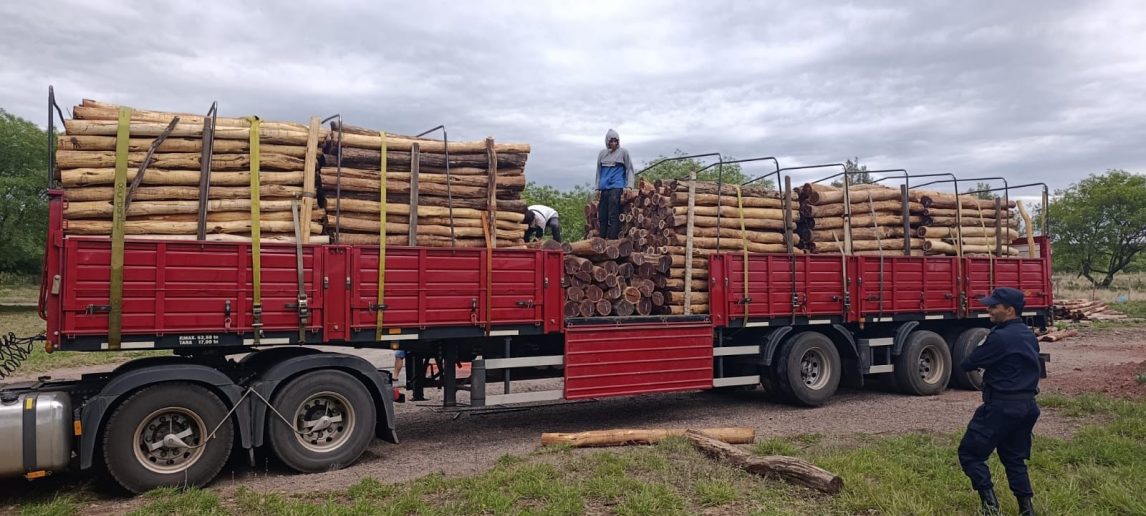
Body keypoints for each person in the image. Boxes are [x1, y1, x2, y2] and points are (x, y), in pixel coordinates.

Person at [958, 287, 1042, 516]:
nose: (989, 310)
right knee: (1014, 459)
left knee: (970, 454)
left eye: (994, 306)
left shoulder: (999, 337)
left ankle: (990, 506)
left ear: (1010, 310)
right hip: (1027, 407)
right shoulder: (1027, 334)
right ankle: (1026, 509)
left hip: (1002, 406)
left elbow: (968, 363)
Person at [595, 129, 634, 239]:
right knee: (602, 215)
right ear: (607, 141)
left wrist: (629, 186)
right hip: (604, 188)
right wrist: (597, 188)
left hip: (616, 186)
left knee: (613, 213)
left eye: (615, 141)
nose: (613, 143)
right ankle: (602, 239)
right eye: (611, 141)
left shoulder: (623, 152)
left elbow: (629, 169)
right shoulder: (602, 154)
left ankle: (612, 240)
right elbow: (598, 171)